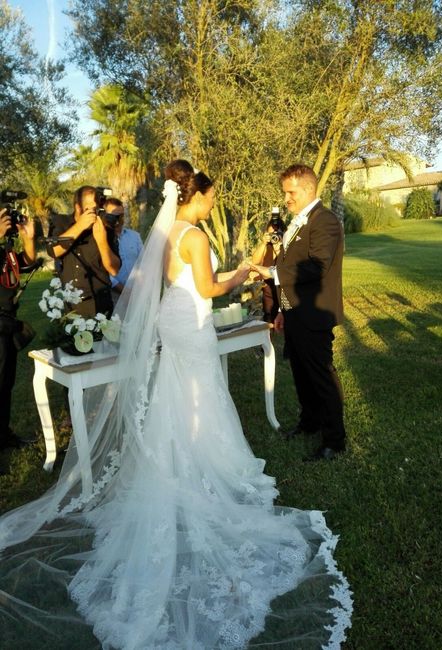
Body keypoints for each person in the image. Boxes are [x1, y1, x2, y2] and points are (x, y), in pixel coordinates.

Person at [0, 161, 352, 648]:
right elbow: (208, 288)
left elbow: (180, 283)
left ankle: (175, 453)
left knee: (176, 392)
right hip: (192, 322)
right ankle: (204, 461)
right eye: (211, 197)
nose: (213, 205)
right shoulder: (197, 235)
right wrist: (247, 273)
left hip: (173, 318)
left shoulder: (165, 233)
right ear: (197, 195)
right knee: (201, 391)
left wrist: (247, 270)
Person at [251, 164, 346, 462]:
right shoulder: (296, 222)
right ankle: (309, 423)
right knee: (301, 374)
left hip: (315, 314)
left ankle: (334, 440)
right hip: (295, 313)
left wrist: (271, 270)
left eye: (291, 192)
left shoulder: (325, 221)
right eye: (285, 193)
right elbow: (290, 272)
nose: (287, 198)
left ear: (307, 189)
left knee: (321, 375)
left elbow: (316, 266)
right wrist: (283, 311)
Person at [47, 186, 121, 318]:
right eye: (90, 208)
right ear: (78, 207)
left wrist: (102, 240)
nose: (94, 212)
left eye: (97, 208)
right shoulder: (61, 222)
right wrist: (80, 226)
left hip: (101, 302)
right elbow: (53, 250)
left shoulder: (104, 226)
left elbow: (114, 269)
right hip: (72, 305)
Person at [0, 208, 36, 451]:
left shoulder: (6, 249)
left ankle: (3, 435)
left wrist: (28, 238)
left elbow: (26, 263)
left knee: (5, 383)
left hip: (7, 320)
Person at [105, 197, 144, 304]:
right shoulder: (102, 239)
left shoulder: (135, 236)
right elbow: (102, 269)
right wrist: (123, 290)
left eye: (121, 216)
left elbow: (143, 262)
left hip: (137, 295)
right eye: (113, 216)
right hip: (114, 297)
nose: (118, 220)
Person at [251, 212, 287, 323]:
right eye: (271, 234)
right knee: (268, 321)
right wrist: (263, 243)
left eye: (276, 233)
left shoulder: (288, 246)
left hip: (283, 291)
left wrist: (279, 248)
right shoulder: (267, 247)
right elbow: (255, 261)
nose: (274, 236)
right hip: (268, 291)